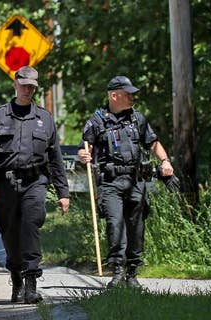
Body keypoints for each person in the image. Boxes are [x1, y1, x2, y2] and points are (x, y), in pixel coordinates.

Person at [0, 66, 70, 304]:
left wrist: (63, 192)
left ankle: (31, 284)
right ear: (15, 85)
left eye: (31, 86)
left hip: (34, 183)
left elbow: (55, 158)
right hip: (5, 185)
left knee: (31, 226)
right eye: (24, 85)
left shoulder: (44, 118)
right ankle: (16, 278)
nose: (27, 90)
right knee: (9, 232)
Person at [77, 75, 174, 288]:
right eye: (127, 93)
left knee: (136, 227)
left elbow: (153, 143)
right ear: (114, 95)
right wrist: (83, 155)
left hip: (135, 181)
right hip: (110, 182)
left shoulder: (137, 119)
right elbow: (85, 147)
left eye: (132, 94)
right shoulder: (97, 120)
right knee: (115, 224)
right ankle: (118, 272)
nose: (132, 97)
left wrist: (165, 161)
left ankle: (132, 273)